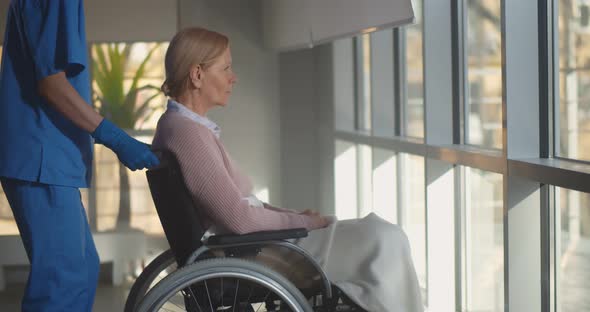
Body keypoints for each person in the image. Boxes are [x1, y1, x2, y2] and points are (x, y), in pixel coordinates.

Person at [152, 27, 423, 311]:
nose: (234, 77)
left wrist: (296, 217)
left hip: (249, 247)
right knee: (384, 238)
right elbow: (240, 218)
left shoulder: (182, 127)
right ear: (197, 75)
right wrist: (304, 223)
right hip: (253, 253)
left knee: (375, 232)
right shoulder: (186, 133)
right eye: (226, 67)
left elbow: (238, 209)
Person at [0, 1, 159, 311]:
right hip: (40, 157)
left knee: (83, 268)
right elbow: (51, 83)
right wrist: (113, 136)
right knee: (64, 280)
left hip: (44, 155)